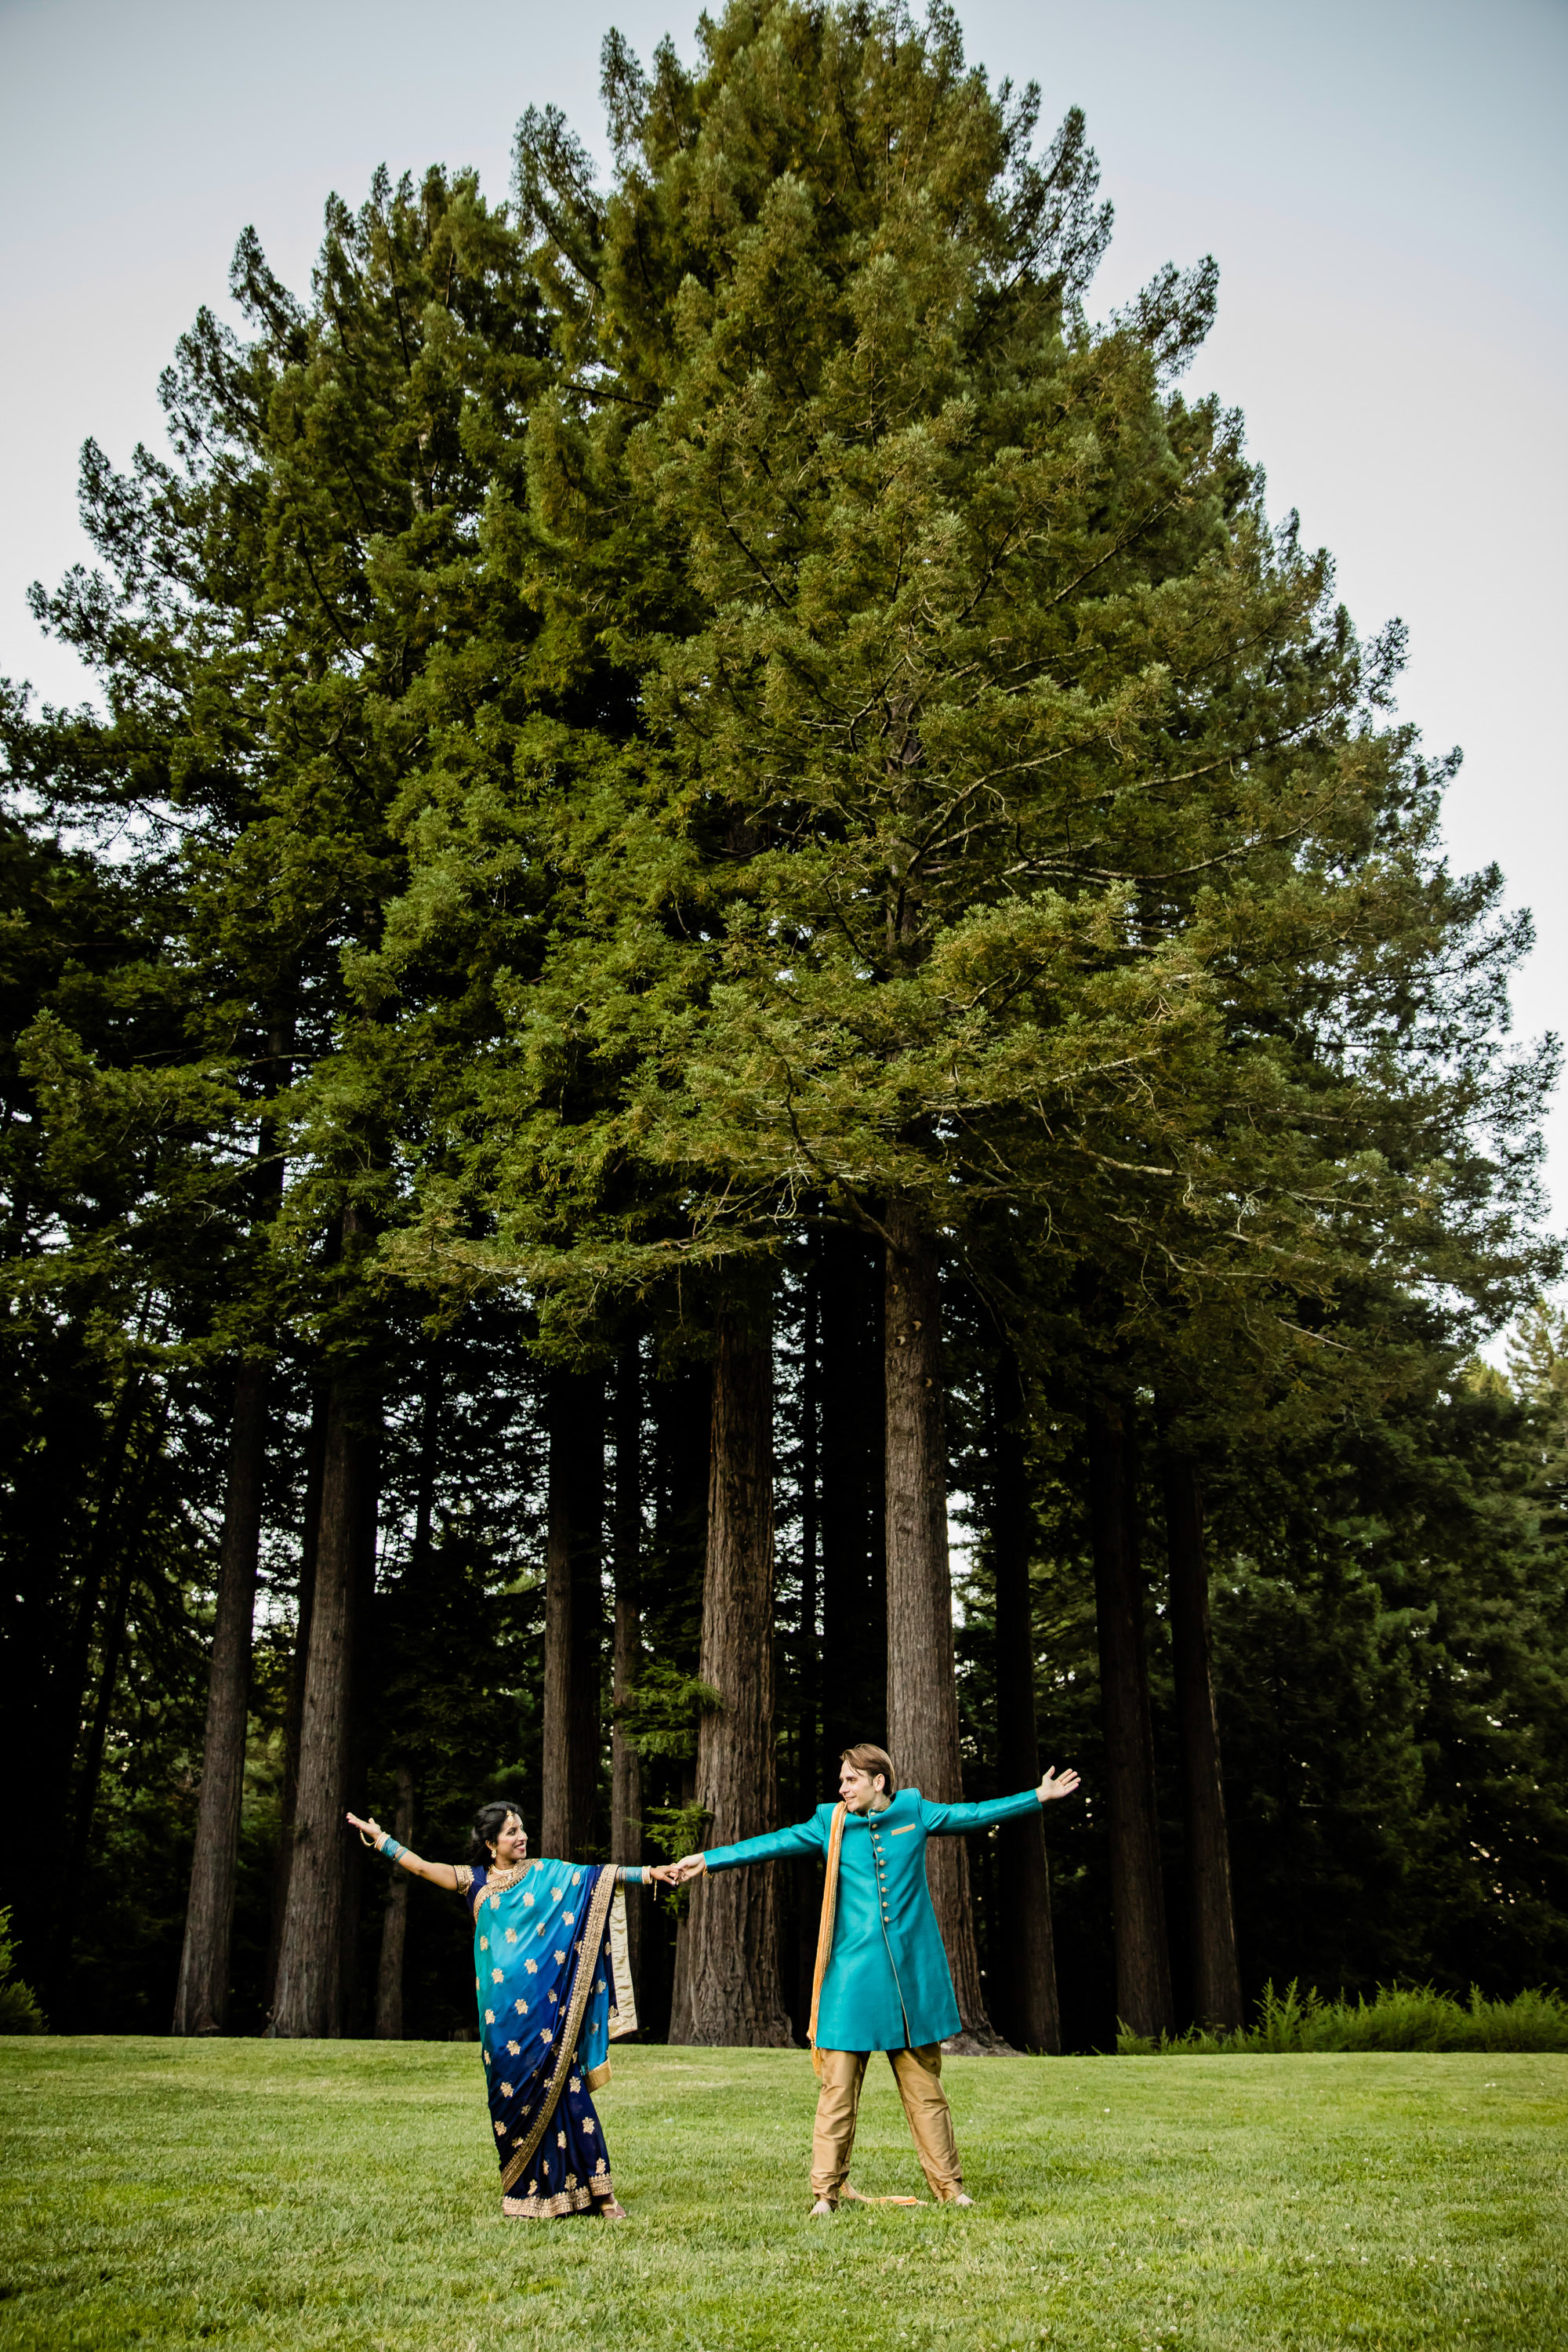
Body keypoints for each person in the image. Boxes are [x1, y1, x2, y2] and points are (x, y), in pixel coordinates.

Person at [670, 1742, 1080, 2214]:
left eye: (850, 1779)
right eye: (842, 1780)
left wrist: (1038, 1796)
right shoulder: (830, 1822)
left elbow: (974, 1814)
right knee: (838, 2089)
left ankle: (951, 2189)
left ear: (878, 1781)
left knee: (926, 2091)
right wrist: (709, 1860)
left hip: (910, 1982)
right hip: (851, 1980)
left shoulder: (915, 1811)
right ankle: (825, 2195)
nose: (842, 1788)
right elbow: (774, 1843)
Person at [347, 1801, 677, 2219]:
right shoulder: (475, 1883)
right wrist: (382, 1840)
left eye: (521, 1829)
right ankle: (526, 2195)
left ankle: (602, 2194)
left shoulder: (546, 1874)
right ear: (490, 1844)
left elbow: (598, 1878)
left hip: (546, 2015)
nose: (521, 1837)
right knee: (509, 2104)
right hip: (499, 2023)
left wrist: (650, 1873)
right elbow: (422, 1867)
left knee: (569, 2093)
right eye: (510, 1833)